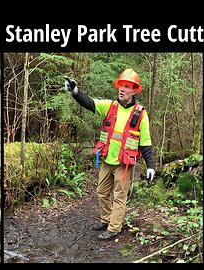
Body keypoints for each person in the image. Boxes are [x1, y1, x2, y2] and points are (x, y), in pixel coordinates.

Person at [65, 68, 155, 240]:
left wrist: (150, 165)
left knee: (119, 196)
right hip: (108, 160)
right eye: (121, 85)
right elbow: (89, 103)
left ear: (134, 90)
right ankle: (107, 220)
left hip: (124, 164)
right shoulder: (109, 106)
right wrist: (75, 92)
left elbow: (145, 143)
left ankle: (114, 228)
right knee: (101, 192)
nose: (122, 89)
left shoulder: (141, 114)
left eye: (127, 86)